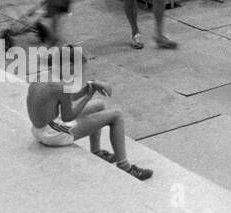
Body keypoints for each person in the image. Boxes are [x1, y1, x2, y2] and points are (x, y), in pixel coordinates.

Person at [25, 51, 152, 180]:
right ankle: (126, 167)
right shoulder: (60, 86)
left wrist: (88, 89)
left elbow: (66, 98)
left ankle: (96, 152)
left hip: (40, 129)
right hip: (52, 134)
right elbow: (68, 116)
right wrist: (88, 96)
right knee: (117, 116)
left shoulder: (45, 77)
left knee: (99, 105)